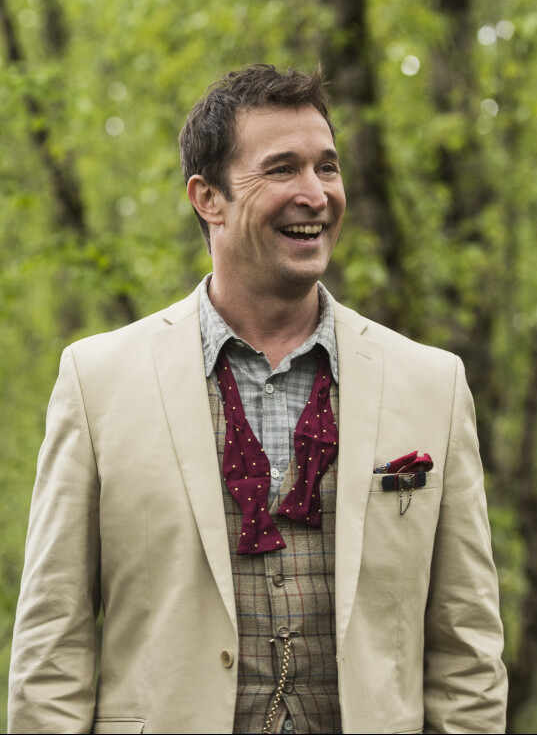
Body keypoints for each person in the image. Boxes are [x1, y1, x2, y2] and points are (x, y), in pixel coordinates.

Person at [8, 64, 507, 734]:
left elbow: (466, 650)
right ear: (207, 198)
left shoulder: (432, 384)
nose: (315, 194)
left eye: (326, 167)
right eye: (281, 169)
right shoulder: (97, 381)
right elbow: (52, 645)